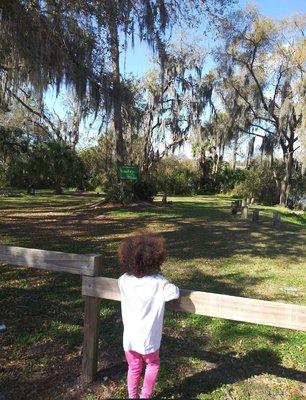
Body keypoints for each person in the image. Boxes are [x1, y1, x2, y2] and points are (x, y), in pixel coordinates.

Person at [118, 231, 180, 399]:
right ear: (156, 260)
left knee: (133, 367)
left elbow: (122, 282)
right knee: (152, 364)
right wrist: (161, 277)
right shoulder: (160, 284)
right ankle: (146, 396)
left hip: (129, 340)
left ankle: (132, 396)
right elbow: (174, 293)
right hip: (150, 341)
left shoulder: (123, 280)